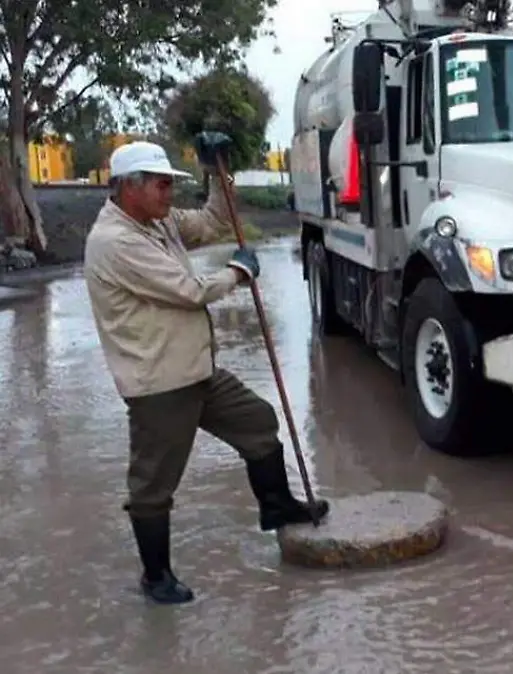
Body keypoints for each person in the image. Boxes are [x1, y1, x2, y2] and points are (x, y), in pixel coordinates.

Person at [83, 137, 330, 605]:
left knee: (257, 422)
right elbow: (190, 290)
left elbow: (215, 220)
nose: (169, 192)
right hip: (159, 382)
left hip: (196, 369)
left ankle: (277, 507)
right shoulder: (115, 241)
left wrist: (220, 173)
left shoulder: (161, 223)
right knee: (153, 484)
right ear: (129, 187)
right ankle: (155, 577)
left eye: (170, 183)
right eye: (160, 184)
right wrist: (239, 272)